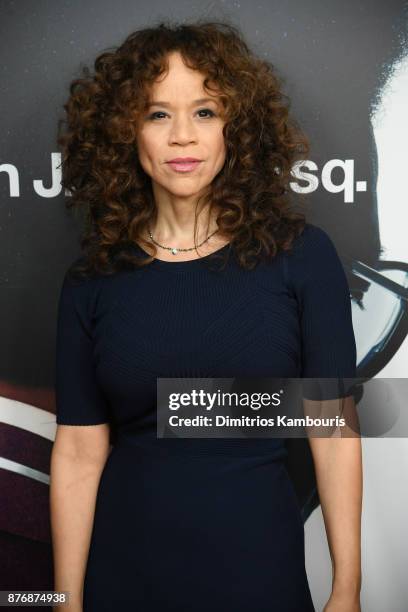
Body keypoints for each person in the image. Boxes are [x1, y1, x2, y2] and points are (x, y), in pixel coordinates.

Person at [49, 20, 362, 612]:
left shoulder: (301, 255)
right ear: (127, 134)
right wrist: (65, 601)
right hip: (125, 575)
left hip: (259, 574)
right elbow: (79, 452)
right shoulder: (92, 281)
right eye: (158, 114)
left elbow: (334, 430)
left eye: (206, 112)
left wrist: (347, 587)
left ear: (235, 129)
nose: (182, 137)